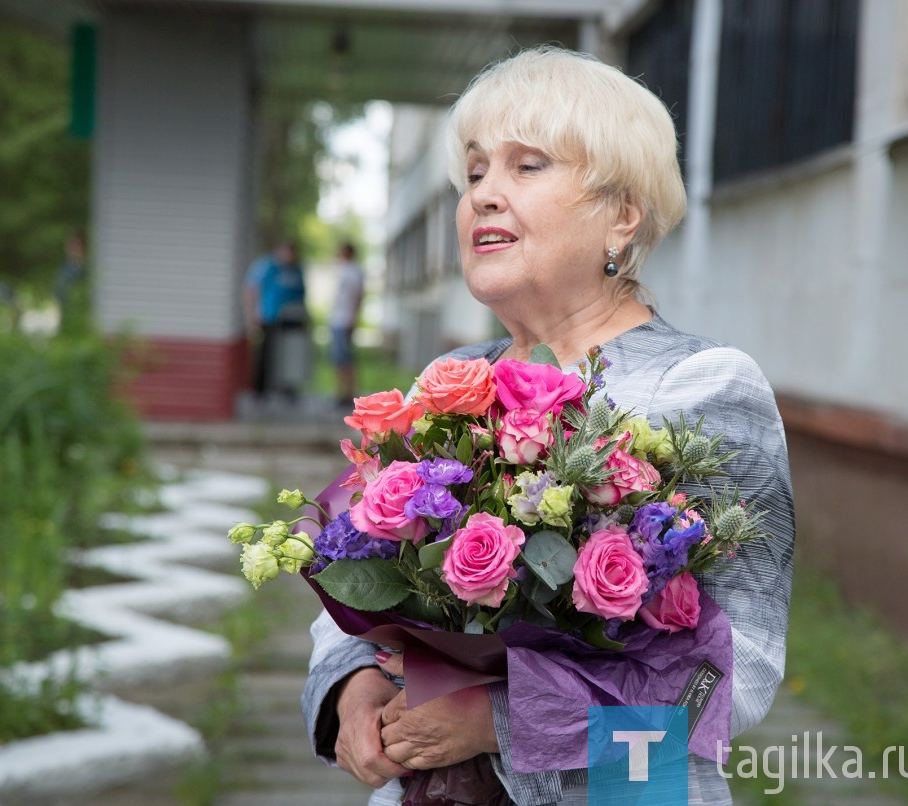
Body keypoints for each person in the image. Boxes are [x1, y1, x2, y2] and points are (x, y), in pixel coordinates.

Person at [301, 46, 794, 805]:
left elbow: (735, 676)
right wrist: (351, 685)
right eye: (474, 173)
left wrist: (498, 717)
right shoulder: (449, 385)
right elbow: (364, 579)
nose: (484, 196)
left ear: (621, 216)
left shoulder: (703, 387)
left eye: (527, 167)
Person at [243, 241, 308, 402]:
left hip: (292, 319)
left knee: (291, 353)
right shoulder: (266, 266)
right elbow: (250, 289)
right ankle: (260, 391)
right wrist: (251, 317)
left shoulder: (296, 269)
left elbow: (302, 294)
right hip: (269, 318)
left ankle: (288, 387)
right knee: (266, 355)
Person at [329, 241, 365, 408]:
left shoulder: (352, 272)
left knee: (345, 358)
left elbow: (358, 296)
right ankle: (342, 391)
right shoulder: (345, 271)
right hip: (338, 319)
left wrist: (353, 318)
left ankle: (348, 392)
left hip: (344, 320)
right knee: (339, 358)